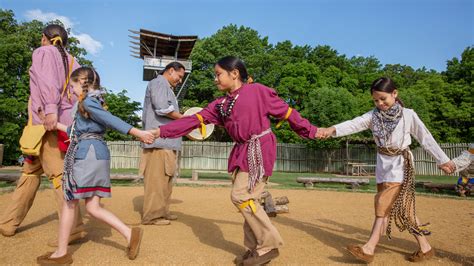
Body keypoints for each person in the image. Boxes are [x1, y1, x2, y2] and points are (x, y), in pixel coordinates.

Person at [150, 56, 319, 265]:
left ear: (235, 73)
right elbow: (193, 121)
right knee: (250, 200)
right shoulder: (221, 104)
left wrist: (313, 131)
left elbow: (288, 113)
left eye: (218, 74)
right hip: (241, 152)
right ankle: (255, 249)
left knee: (241, 196)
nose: (215, 79)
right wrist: (160, 131)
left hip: (259, 149)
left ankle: (269, 244)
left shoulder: (257, 91)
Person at [316, 77, 455, 263]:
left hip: (401, 165)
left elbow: (426, 138)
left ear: (394, 94)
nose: (380, 103)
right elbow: (353, 123)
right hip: (383, 165)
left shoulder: (408, 115)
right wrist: (331, 129)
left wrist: (443, 160)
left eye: (383, 99)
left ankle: (369, 247)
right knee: (405, 210)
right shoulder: (372, 116)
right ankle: (425, 247)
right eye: (376, 100)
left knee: (383, 202)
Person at [37, 67, 154, 264]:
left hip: (87, 154)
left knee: (69, 201)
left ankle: (61, 253)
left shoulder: (88, 101)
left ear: (82, 82)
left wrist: (138, 133)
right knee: (92, 207)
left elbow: (111, 120)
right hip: (95, 152)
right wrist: (50, 123)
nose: (72, 91)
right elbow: (74, 130)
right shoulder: (90, 104)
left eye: (73, 86)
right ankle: (129, 233)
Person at [0, 24, 85, 245]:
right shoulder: (73, 61)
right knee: (29, 172)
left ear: (43, 38)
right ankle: (8, 223)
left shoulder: (44, 52)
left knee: (58, 175)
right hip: (58, 124)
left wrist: (49, 112)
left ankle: (74, 227)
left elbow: (48, 84)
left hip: (47, 124)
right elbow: (78, 95)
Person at [140, 62, 185, 226]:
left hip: (166, 142)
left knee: (165, 180)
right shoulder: (159, 82)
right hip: (158, 142)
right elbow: (162, 109)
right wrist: (186, 119)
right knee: (156, 181)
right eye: (179, 76)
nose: (180, 80)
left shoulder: (166, 87)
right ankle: (152, 216)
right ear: (171, 70)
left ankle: (163, 212)